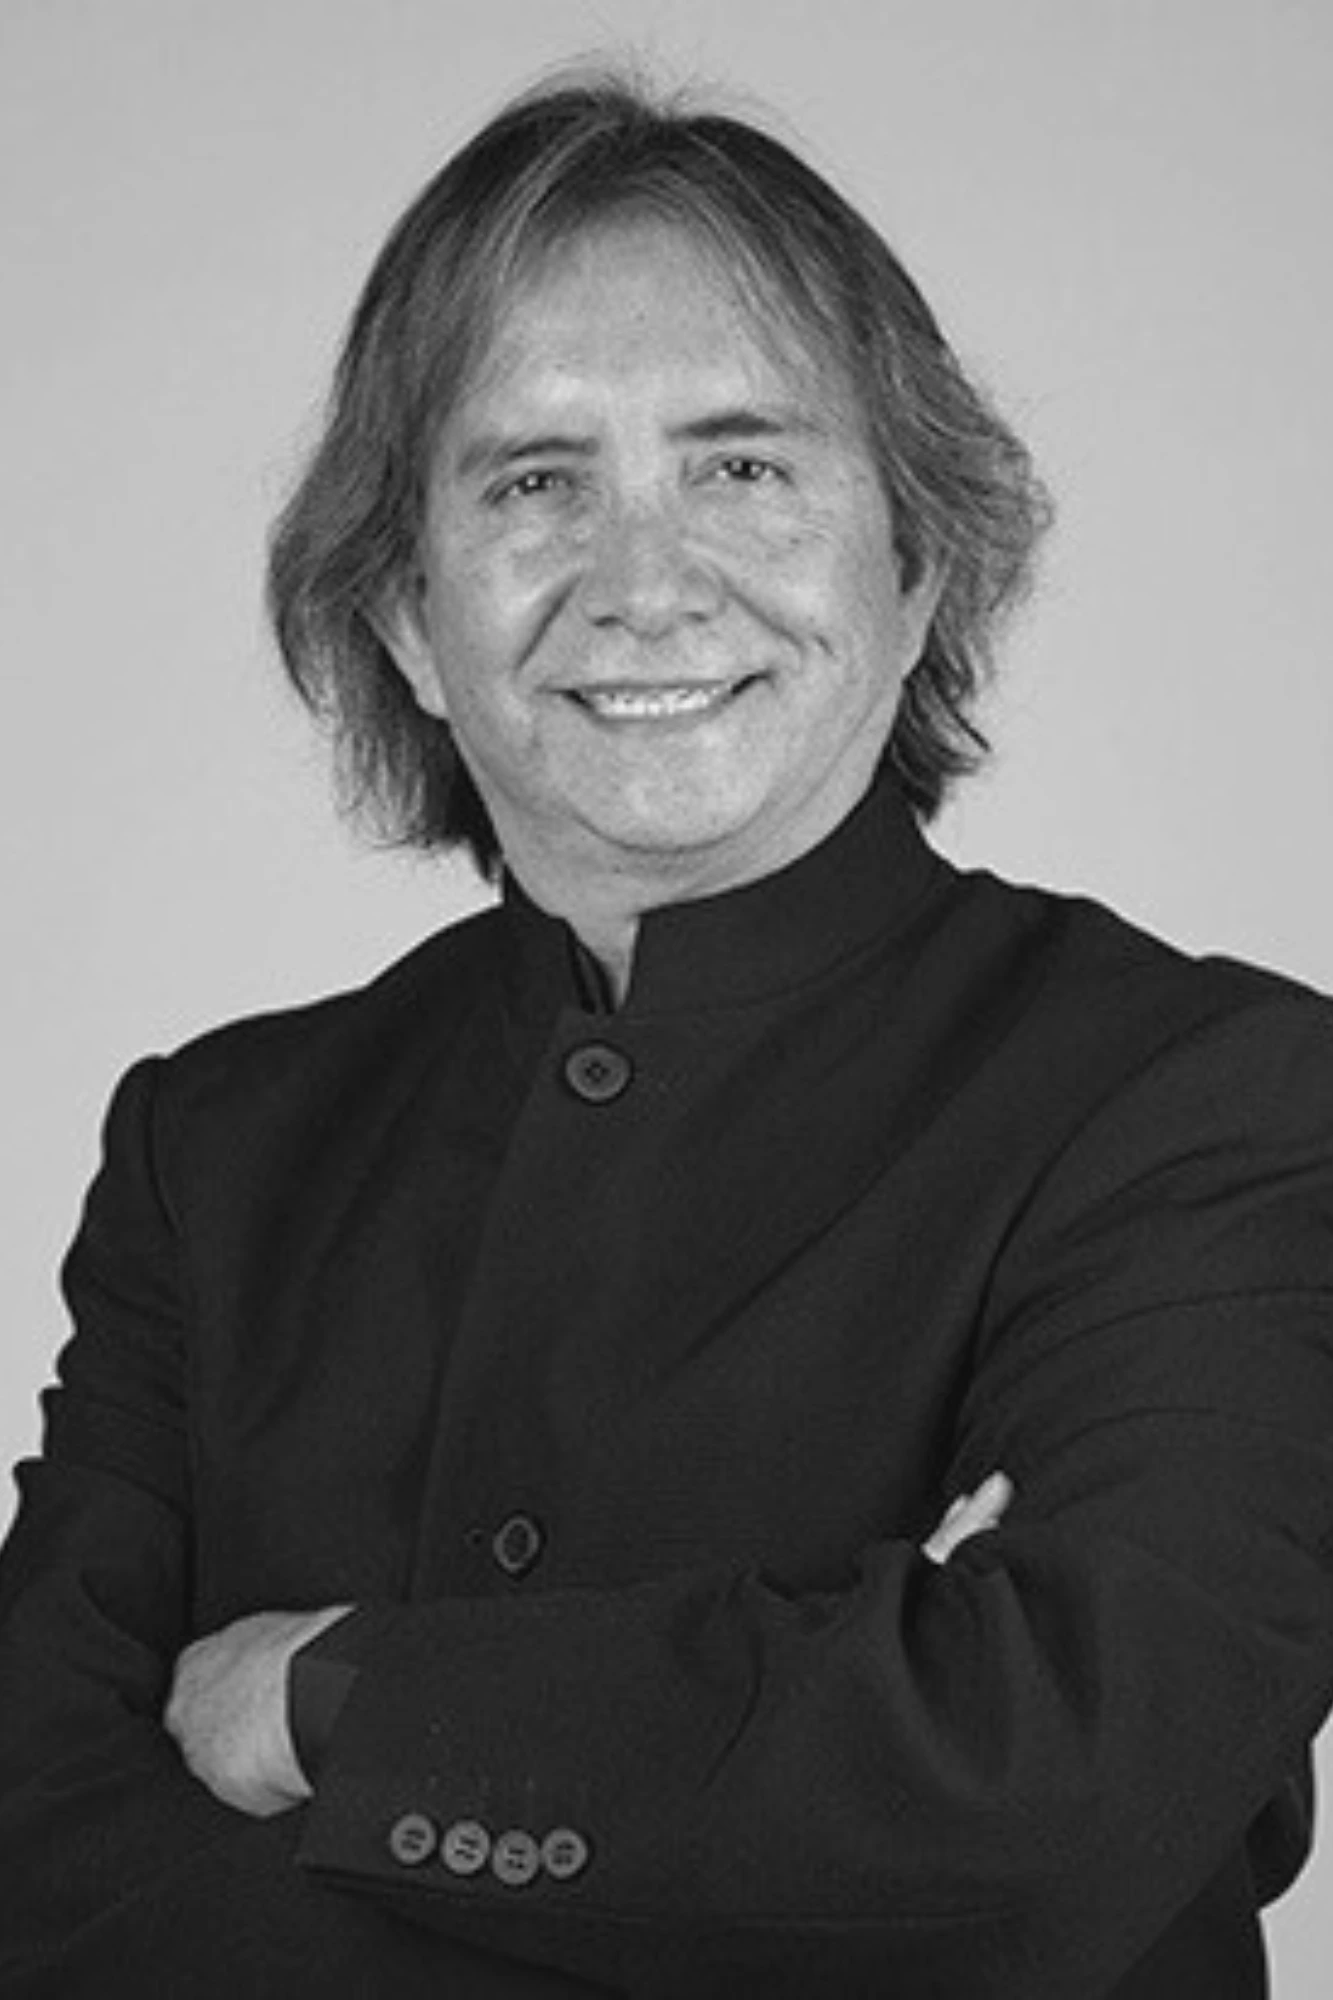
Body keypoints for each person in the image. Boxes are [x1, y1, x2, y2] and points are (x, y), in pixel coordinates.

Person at [3, 69, 1333, 2000]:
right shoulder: (212, 1153)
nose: (643, 587)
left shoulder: (1210, 1102)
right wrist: (805, 1773)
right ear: (408, 619)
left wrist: (336, 1703)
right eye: (534, 483)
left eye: (744, 468)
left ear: (916, 568)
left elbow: (1053, 1805)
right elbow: (34, 1857)